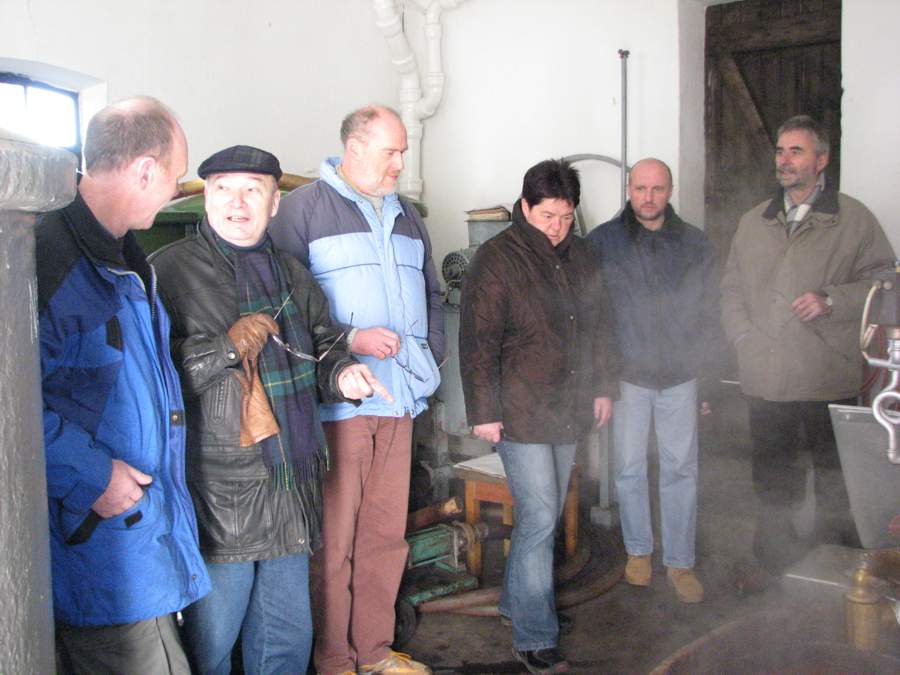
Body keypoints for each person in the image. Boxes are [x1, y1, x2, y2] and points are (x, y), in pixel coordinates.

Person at [151, 145, 391, 674]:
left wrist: (343, 375)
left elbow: (325, 344)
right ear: (205, 198)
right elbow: (152, 379)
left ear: (274, 203)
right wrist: (225, 348)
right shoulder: (169, 271)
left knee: (286, 637)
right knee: (212, 640)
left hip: (292, 477)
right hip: (220, 489)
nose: (237, 203)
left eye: (252, 190)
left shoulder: (292, 273)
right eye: (223, 189)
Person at [36, 96, 210, 674]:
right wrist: (91, 474)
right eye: (176, 176)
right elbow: (10, 407)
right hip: (97, 544)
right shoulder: (51, 261)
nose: (176, 190)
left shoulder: (126, 258)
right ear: (144, 170)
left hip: (135, 535)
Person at [269, 105, 443, 675]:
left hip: (400, 401)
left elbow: (432, 295)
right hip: (337, 407)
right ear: (355, 147)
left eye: (402, 152)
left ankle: (374, 653)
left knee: (385, 538)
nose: (400, 164)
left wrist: (428, 360)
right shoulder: (302, 211)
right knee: (334, 542)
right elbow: (283, 311)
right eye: (391, 152)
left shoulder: (407, 215)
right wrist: (351, 340)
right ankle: (333, 659)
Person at [459, 159, 619, 675]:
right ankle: (534, 635)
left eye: (566, 217)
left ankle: (520, 604)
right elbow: (478, 341)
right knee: (540, 516)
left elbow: (600, 327)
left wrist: (603, 387)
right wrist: (483, 412)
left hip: (568, 403)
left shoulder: (581, 254)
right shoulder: (497, 259)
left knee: (544, 514)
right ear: (524, 206)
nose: (556, 227)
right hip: (518, 409)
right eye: (547, 215)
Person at [720, 115, 895, 576]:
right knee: (772, 479)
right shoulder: (754, 221)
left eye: (796, 151)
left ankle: (836, 573)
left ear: (821, 160)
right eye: (780, 151)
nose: (784, 160)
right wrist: (742, 336)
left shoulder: (853, 219)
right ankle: (773, 565)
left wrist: (831, 300)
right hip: (766, 377)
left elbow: (885, 284)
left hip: (826, 376)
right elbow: (730, 289)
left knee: (835, 481)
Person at [587, 158, 723, 603]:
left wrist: (708, 381)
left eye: (657, 189)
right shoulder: (603, 243)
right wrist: (600, 379)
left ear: (670, 190)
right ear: (629, 189)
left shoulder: (695, 244)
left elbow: (710, 315)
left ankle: (680, 562)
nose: (648, 198)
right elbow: (593, 317)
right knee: (629, 468)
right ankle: (639, 551)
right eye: (641, 188)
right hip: (628, 377)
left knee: (680, 469)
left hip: (681, 376)